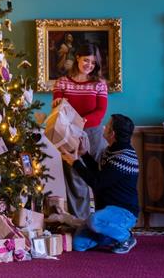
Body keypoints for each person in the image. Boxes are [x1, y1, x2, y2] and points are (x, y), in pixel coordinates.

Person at [60, 114, 139, 254]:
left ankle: (126, 237)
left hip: (123, 212)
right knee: (78, 244)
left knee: (94, 220)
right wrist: (84, 154)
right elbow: (100, 173)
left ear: (112, 133)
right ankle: (111, 235)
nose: (104, 127)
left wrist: (75, 162)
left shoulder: (124, 157)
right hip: (106, 211)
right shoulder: (110, 151)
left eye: (107, 125)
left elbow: (96, 183)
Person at [52, 43, 108, 220]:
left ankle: (102, 221)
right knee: (75, 179)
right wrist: (57, 106)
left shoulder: (99, 84)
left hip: (94, 134)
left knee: (99, 178)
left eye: (93, 63)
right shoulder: (62, 83)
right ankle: (80, 223)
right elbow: (58, 109)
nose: (89, 65)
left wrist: (82, 122)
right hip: (69, 135)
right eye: (86, 60)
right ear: (77, 58)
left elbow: (100, 112)